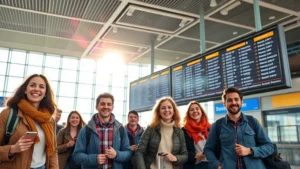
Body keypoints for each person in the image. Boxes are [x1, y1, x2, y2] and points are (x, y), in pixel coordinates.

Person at [204, 87, 274, 169]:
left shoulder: (252, 122)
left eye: (236, 99)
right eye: (229, 100)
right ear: (224, 104)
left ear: (241, 102)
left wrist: (250, 151)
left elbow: (269, 147)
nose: (233, 102)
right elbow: (208, 149)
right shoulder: (217, 125)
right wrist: (217, 165)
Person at [0, 74, 58, 169]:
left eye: (41, 87)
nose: (36, 89)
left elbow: (53, 151)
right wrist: (12, 149)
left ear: (45, 93)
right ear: (25, 90)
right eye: (32, 85)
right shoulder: (8, 114)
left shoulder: (49, 120)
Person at [73, 92, 132, 169]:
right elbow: (77, 155)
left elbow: (128, 153)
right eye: (102, 104)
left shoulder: (121, 129)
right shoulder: (86, 130)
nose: (106, 106)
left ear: (112, 107)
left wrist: (116, 155)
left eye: (109, 104)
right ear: (97, 107)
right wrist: (94, 159)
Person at [134, 97, 188, 169]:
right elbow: (139, 151)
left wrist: (175, 158)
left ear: (174, 111)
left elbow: (185, 155)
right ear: (158, 112)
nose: (166, 110)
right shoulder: (151, 128)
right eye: (163, 108)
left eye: (169, 107)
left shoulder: (179, 131)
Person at [182, 101, 211, 169]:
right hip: (195, 165)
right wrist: (194, 155)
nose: (195, 111)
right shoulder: (184, 130)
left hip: (211, 163)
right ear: (188, 114)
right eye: (191, 110)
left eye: (197, 108)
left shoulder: (210, 128)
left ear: (201, 111)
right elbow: (181, 151)